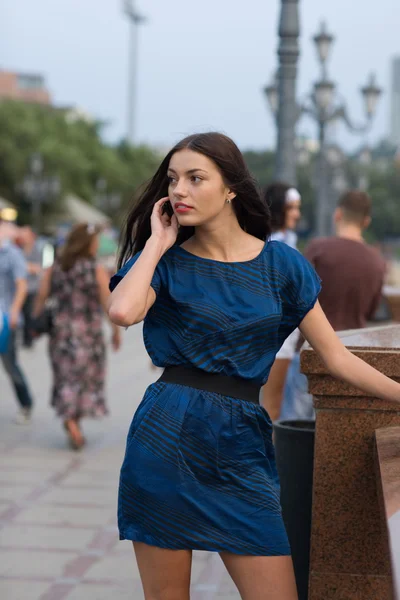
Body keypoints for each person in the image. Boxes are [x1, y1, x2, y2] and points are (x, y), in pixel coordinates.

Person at [108, 132, 400, 600]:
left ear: (231, 189)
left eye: (195, 178)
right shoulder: (166, 263)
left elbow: (337, 357)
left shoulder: (282, 265)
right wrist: (158, 242)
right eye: (172, 179)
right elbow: (122, 311)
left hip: (241, 440)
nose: (179, 190)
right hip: (166, 437)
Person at [280, 189, 386, 421]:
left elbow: (292, 297)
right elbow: (371, 311)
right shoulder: (377, 263)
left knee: (293, 432)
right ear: (366, 221)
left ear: (337, 214)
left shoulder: (318, 249)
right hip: (354, 358)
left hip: (309, 352)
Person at [33, 223, 122, 450]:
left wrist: (35, 322)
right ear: (87, 244)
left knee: (65, 377)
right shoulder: (95, 268)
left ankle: (70, 420)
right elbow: (106, 301)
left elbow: (42, 295)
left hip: (61, 333)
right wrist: (115, 330)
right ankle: (74, 421)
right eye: (95, 243)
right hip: (89, 334)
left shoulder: (56, 267)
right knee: (84, 380)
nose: (96, 247)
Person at [261, 183, 302, 421]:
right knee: (272, 407)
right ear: (279, 209)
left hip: (279, 332)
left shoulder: (284, 239)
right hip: (277, 333)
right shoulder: (276, 243)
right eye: (292, 207)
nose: (297, 213)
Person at [0, 222, 34, 424]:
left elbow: (22, 286)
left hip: (6, 320)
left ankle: (25, 403)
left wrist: (13, 313)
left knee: (10, 365)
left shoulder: (11, 254)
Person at [16, 226, 43, 348]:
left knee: (29, 313)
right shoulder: (18, 249)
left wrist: (24, 266)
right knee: (20, 313)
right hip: (20, 286)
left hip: (32, 287)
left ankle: (28, 339)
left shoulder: (36, 250)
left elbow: (38, 268)